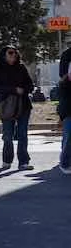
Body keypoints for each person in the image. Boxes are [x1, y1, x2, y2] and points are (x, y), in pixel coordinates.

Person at [0, 45, 35, 170]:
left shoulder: (21, 68)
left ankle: (23, 162)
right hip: (7, 105)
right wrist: (13, 89)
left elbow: (30, 85)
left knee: (22, 134)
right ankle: (7, 160)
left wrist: (24, 90)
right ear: (4, 55)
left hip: (23, 104)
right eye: (10, 53)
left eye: (15, 53)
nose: (13, 55)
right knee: (8, 135)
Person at [58, 47, 70, 175]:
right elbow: (62, 77)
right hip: (68, 103)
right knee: (68, 135)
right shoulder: (67, 55)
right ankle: (65, 162)